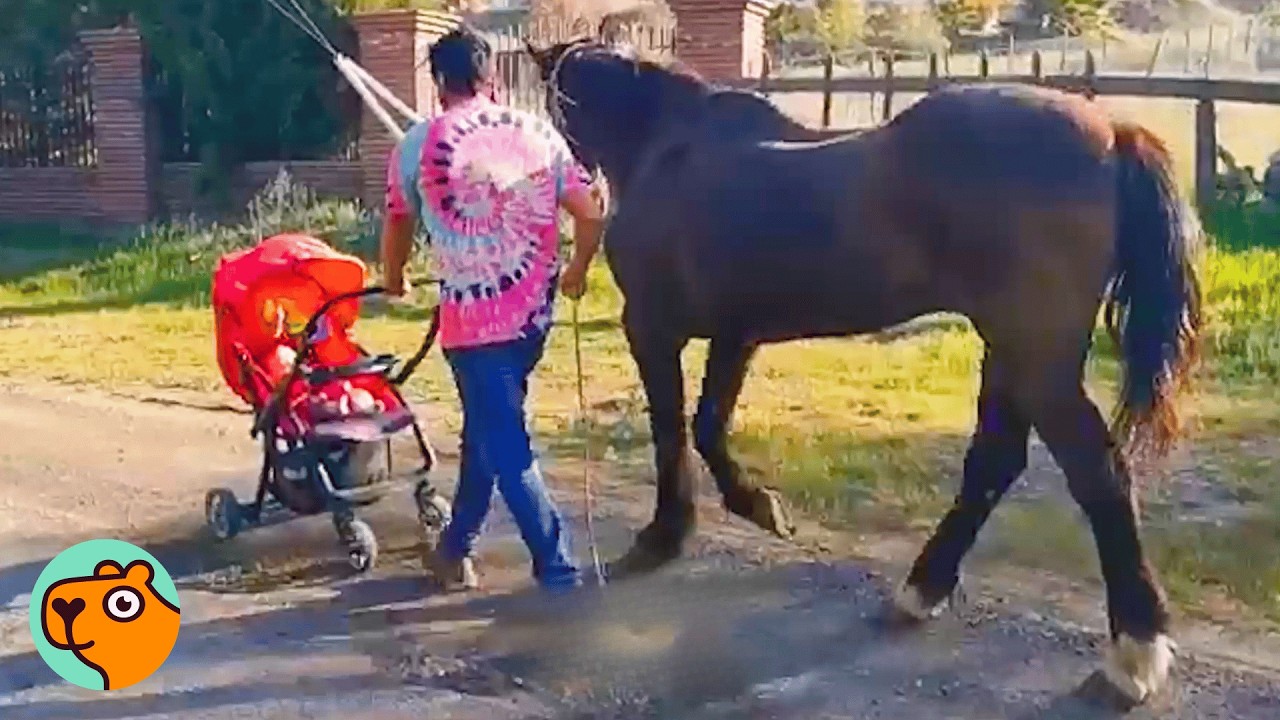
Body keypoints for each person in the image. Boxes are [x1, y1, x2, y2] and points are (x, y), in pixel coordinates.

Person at [380, 26, 605, 595]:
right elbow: (591, 214)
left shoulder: (417, 143)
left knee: (505, 441)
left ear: (437, 85)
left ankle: (558, 572)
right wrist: (576, 271)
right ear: (493, 79)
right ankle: (454, 551)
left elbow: (398, 220)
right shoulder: (540, 134)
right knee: (488, 428)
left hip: (472, 326)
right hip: (534, 319)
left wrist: (394, 279)